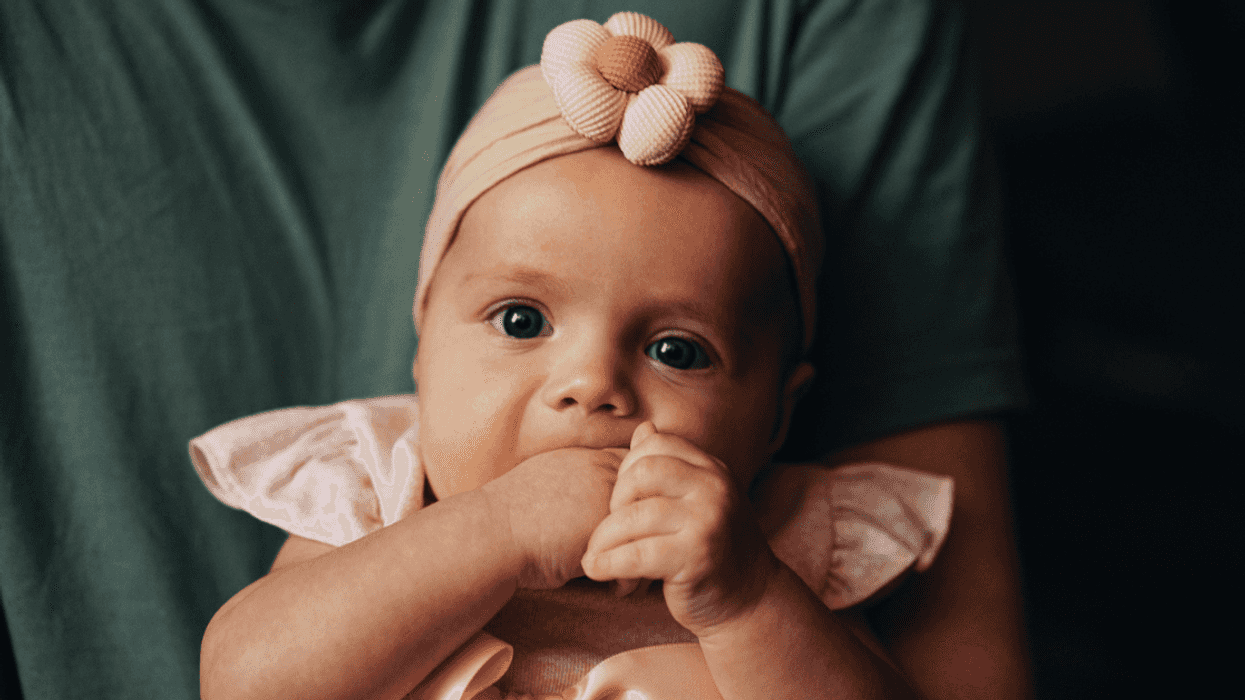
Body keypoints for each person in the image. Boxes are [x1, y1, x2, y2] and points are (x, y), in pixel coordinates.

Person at [0, 2, 1028, 699]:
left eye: (677, 348)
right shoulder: (386, 493)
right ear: (420, 355)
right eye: (523, 322)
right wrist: (493, 530)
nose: (591, 386)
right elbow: (248, 676)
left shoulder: (788, 540)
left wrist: (749, 599)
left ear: (778, 413)